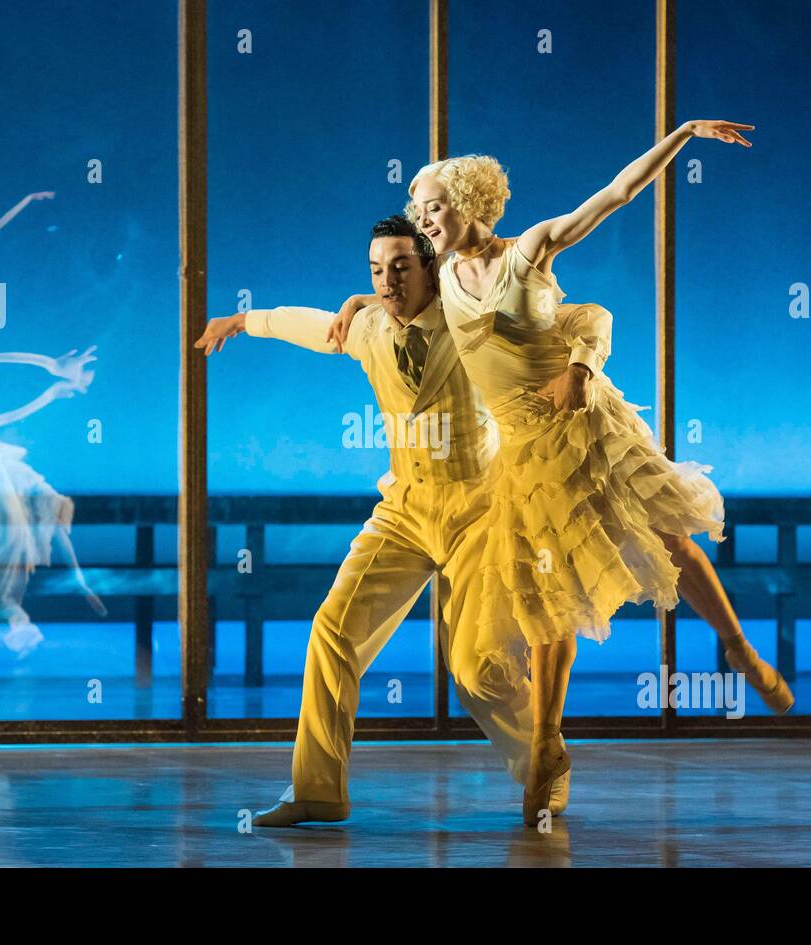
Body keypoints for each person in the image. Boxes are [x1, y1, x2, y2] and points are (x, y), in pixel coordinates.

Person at [334, 120, 793, 826]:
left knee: (668, 537)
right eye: (418, 210)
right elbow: (391, 304)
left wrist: (683, 135)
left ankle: (734, 642)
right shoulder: (441, 283)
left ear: (467, 201)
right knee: (548, 592)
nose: (424, 218)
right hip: (525, 454)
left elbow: (615, 195)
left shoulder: (530, 250)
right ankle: (546, 744)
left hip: (587, 427)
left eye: (433, 204)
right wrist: (357, 302)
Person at [195, 216, 603, 825]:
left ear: (431, 267)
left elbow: (587, 318)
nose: (386, 282)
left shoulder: (476, 323)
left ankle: (544, 762)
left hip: (480, 509)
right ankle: (317, 789)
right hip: (405, 510)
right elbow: (307, 326)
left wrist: (582, 367)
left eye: (401, 268)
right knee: (332, 630)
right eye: (375, 271)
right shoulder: (366, 328)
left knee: (474, 669)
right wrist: (244, 321)